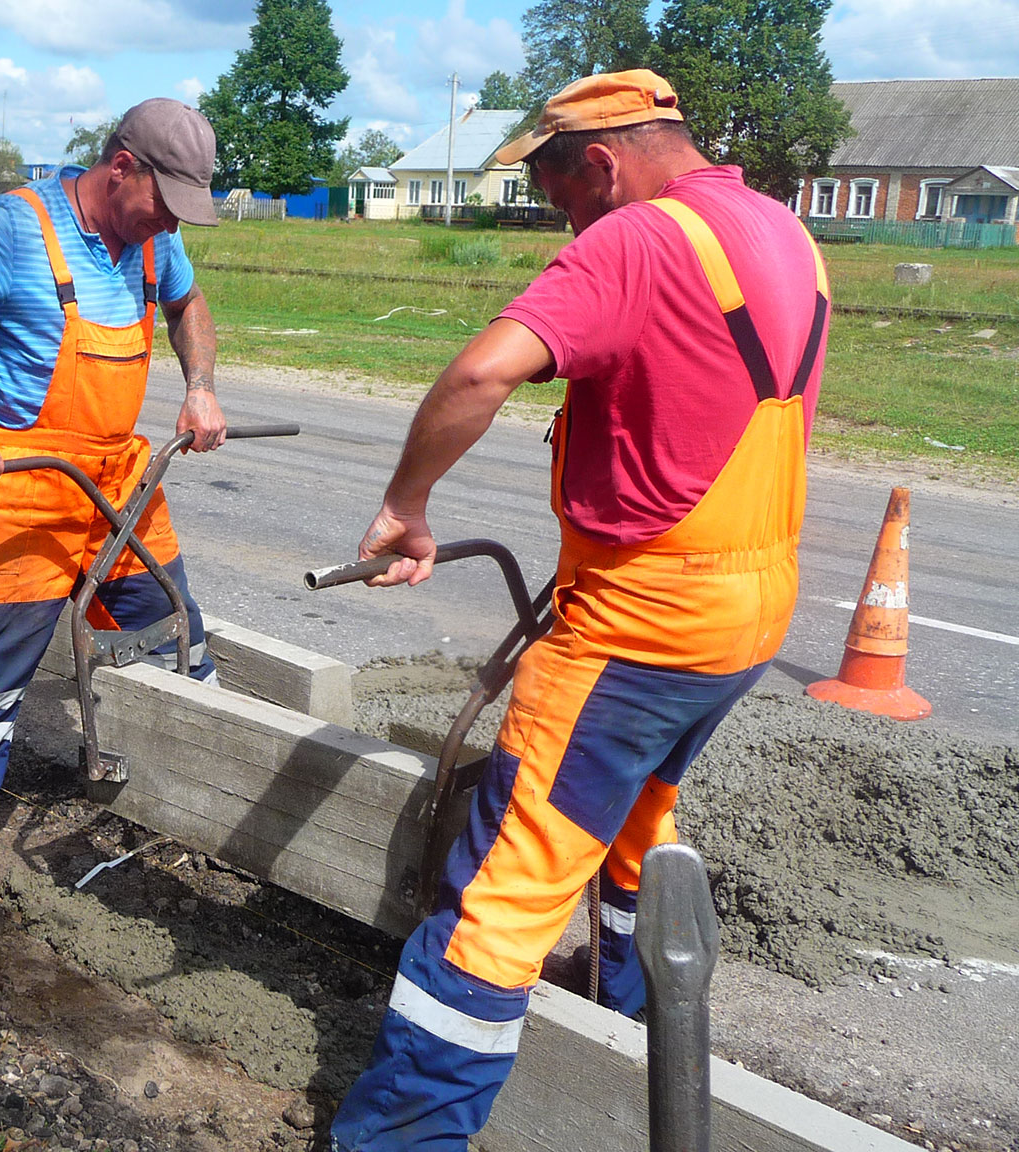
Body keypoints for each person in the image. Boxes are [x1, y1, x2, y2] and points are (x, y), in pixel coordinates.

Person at [330, 70, 829, 1149]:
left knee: (499, 897)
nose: (557, 215)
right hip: (747, 616)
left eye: (555, 189)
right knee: (639, 818)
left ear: (599, 163)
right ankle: (627, 1023)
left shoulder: (637, 239)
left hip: (639, 625)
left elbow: (481, 374)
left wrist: (406, 507)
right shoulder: (783, 231)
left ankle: (400, 1136)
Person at [0, 99, 228, 934]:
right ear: (121, 167)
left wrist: (201, 386)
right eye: (165, 202)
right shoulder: (15, 227)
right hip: (23, 483)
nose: (172, 224)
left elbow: (189, 305)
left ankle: (187, 814)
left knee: (174, 639)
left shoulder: (155, 239)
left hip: (119, 483)